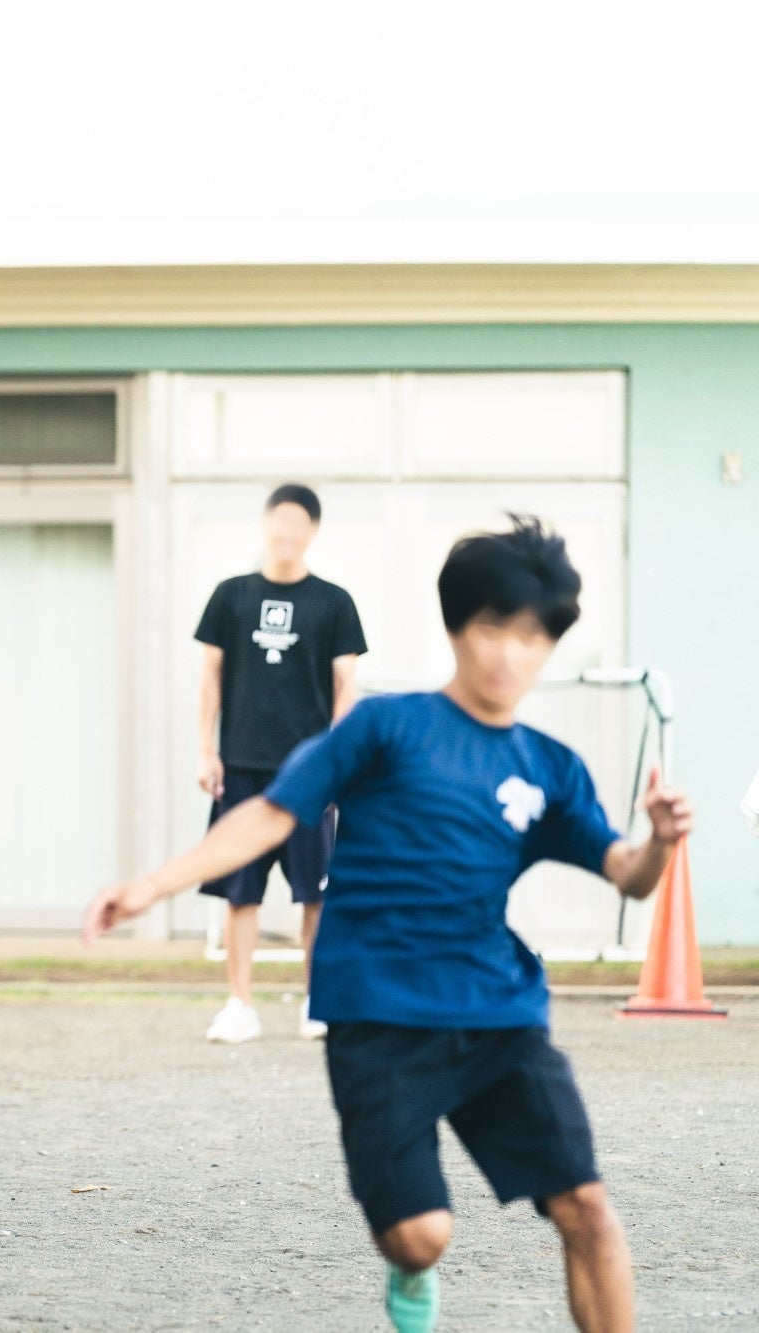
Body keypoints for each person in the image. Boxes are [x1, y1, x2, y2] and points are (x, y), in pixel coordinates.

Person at [85, 516, 690, 1333]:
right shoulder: (382, 727)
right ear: (456, 627)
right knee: (419, 1236)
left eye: (533, 637)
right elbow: (268, 813)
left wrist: (657, 838)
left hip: (498, 1014)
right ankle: (410, 1274)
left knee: (587, 1205)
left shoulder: (548, 766)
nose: (511, 654)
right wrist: (152, 885)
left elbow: (630, 876)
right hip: (378, 1017)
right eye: (492, 629)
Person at [193, 483, 366, 1043]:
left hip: (309, 772)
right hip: (240, 767)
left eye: (299, 524)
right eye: (280, 521)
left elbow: (347, 688)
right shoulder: (230, 596)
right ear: (266, 525)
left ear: (312, 532)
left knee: (316, 892)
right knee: (239, 891)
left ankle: (318, 1001)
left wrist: (338, 760)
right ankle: (239, 1003)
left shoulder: (334, 602)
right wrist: (205, 748)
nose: (287, 533)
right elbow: (210, 678)